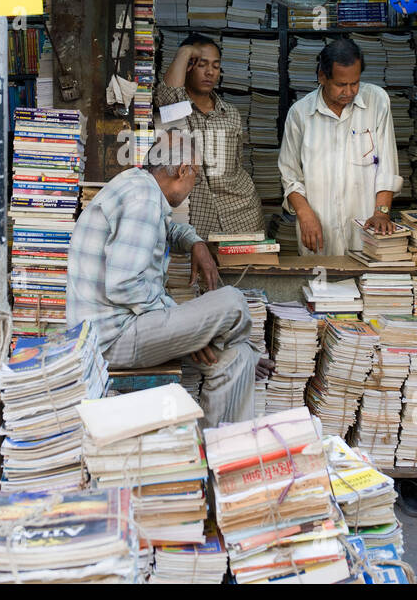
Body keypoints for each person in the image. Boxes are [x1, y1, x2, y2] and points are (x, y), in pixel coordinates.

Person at [66, 130, 272, 426]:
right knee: (233, 300)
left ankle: (218, 450)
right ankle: (249, 355)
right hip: (112, 338)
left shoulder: (138, 186)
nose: (193, 185)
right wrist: (185, 329)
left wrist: (195, 243)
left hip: (120, 330)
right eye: (195, 177)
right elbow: (124, 285)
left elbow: (165, 231)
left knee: (236, 358)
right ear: (183, 170)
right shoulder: (144, 199)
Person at [278, 36, 402, 256]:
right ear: (322, 77)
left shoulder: (377, 101)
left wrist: (382, 212)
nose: (350, 91)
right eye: (341, 84)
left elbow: (387, 167)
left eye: (355, 83)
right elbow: (290, 175)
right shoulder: (300, 114)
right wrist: (304, 214)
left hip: (365, 231)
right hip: (317, 233)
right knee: (320, 286)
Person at [154, 35, 263, 236]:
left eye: (215, 65)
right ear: (187, 67)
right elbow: (166, 96)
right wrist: (185, 52)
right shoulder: (178, 112)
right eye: (202, 64)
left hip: (242, 215)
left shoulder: (230, 114)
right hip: (197, 219)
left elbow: (238, 163)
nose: (210, 72)